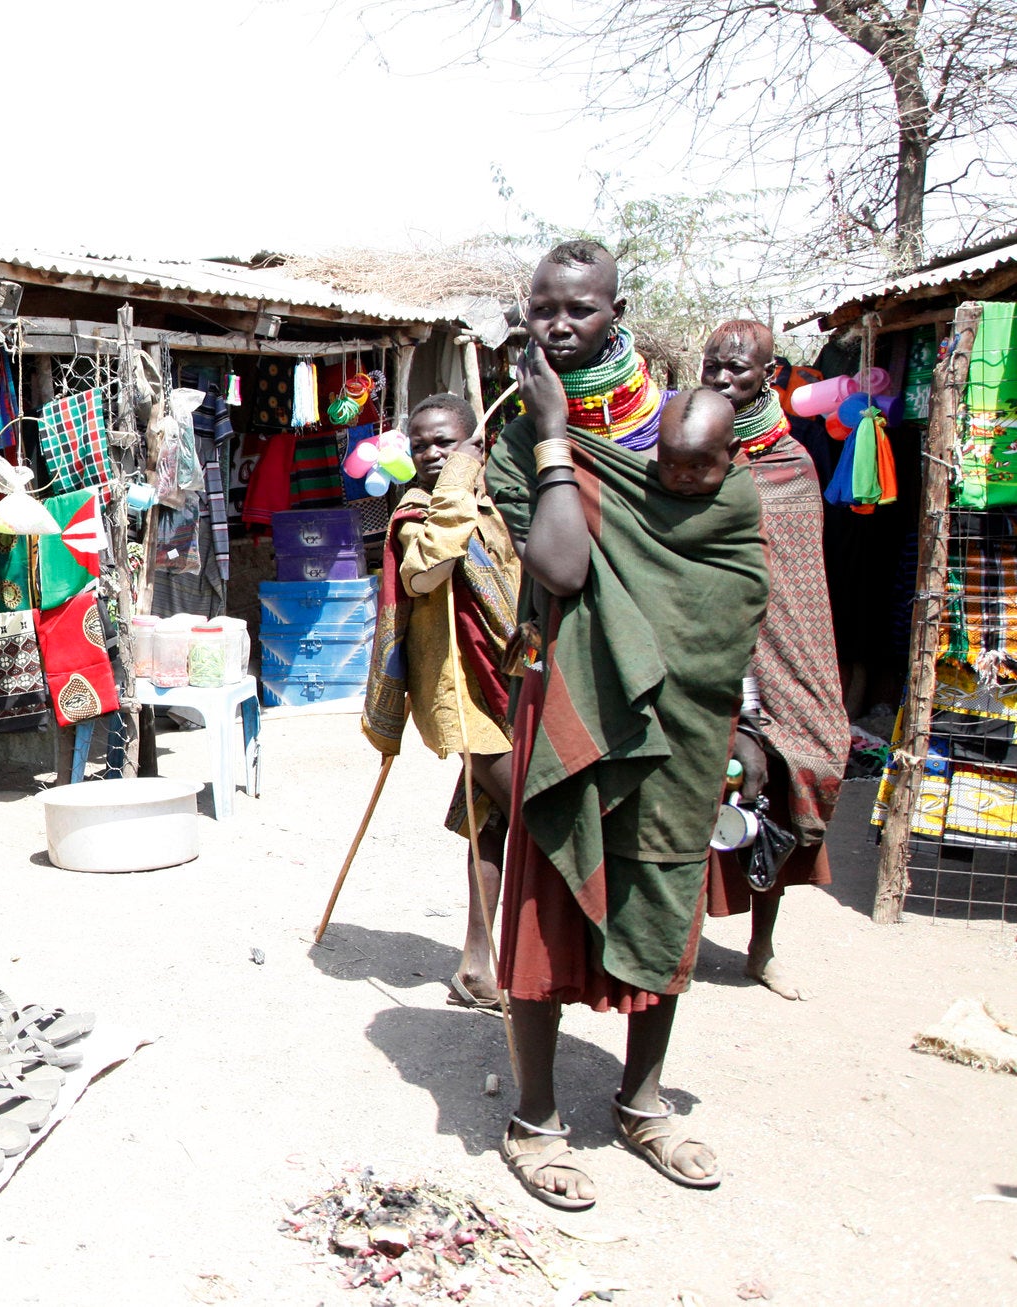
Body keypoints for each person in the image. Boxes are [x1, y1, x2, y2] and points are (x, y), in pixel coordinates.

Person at [485, 239, 769, 1211]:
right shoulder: (522, 431)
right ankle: (534, 1115)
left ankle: (643, 1101)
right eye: (542, 308)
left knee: (661, 886)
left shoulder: (685, 431)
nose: (557, 326)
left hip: (681, 709)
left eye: (578, 309)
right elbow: (560, 567)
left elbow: (727, 575)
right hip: (566, 690)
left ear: (617, 311)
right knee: (548, 892)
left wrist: (749, 718)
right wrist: (556, 433)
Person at [700, 319, 851, 1001]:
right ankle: (669, 943)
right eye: (713, 365)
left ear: (767, 374)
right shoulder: (684, 444)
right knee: (695, 784)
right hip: (702, 633)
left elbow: (796, 577)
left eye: (737, 368)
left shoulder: (790, 463)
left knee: (790, 770)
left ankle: (760, 947)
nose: (723, 377)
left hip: (778, 641)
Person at [361, 393, 521, 1011]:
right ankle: (537, 959)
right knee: (533, 813)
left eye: (445, 444)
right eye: (421, 444)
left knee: (492, 822)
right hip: (461, 692)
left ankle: (477, 966)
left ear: (473, 445)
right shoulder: (414, 515)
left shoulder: (497, 502)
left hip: (513, 680)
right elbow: (426, 570)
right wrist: (456, 482)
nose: (431, 454)